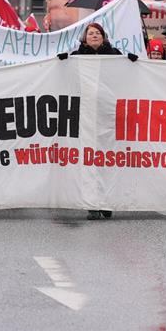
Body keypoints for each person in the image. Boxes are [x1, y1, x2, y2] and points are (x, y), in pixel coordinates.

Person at [64, 22, 132, 220]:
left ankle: (107, 200)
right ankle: (92, 203)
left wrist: (133, 63)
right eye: (90, 33)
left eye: (97, 33)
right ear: (84, 38)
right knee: (88, 160)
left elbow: (126, 77)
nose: (93, 36)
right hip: (85, 115)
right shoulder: (76, 57)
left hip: (108, 113)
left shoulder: (115, 55)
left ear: (103, 37)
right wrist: (61, 63)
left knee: (108, 159)